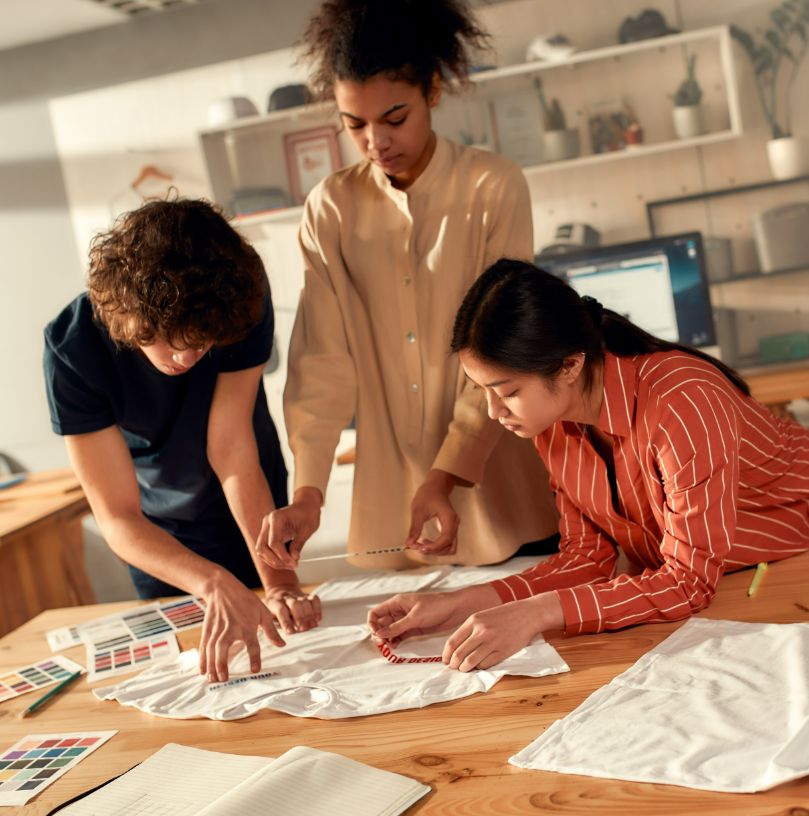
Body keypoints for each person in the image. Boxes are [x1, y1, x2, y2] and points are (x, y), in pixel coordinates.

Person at [367, 258, 809, 671]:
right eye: (482, 391)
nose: (493, 412)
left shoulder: (682, 401)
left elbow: (687, 583)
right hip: (736, 573)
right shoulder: (550, 420)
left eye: (507, 392)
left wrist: (536, 613)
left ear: (570, 366)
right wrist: (464, 601)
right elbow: (585, 557)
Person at [260, 0, 558, 574]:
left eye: (394, 118)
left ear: (433, 92)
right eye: (354, 125)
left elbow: (506, 348)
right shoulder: (330, 210)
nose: (375, 141)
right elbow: (321, 361)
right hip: (394, 514)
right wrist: (309, 493)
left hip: (506, 496)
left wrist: (446, 476)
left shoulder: (491, 186)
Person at [43, 198, 320, 684]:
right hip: (158, 535)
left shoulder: (240, 293)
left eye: (203, 343)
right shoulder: (73, 349)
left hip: (252, 507)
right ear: (130, 319)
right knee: (195, 680)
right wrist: (210, 582)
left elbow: (231, 450)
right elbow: (116, 516)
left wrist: (277, 583)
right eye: (170, 341)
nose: (187, 358)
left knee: (290, 666)